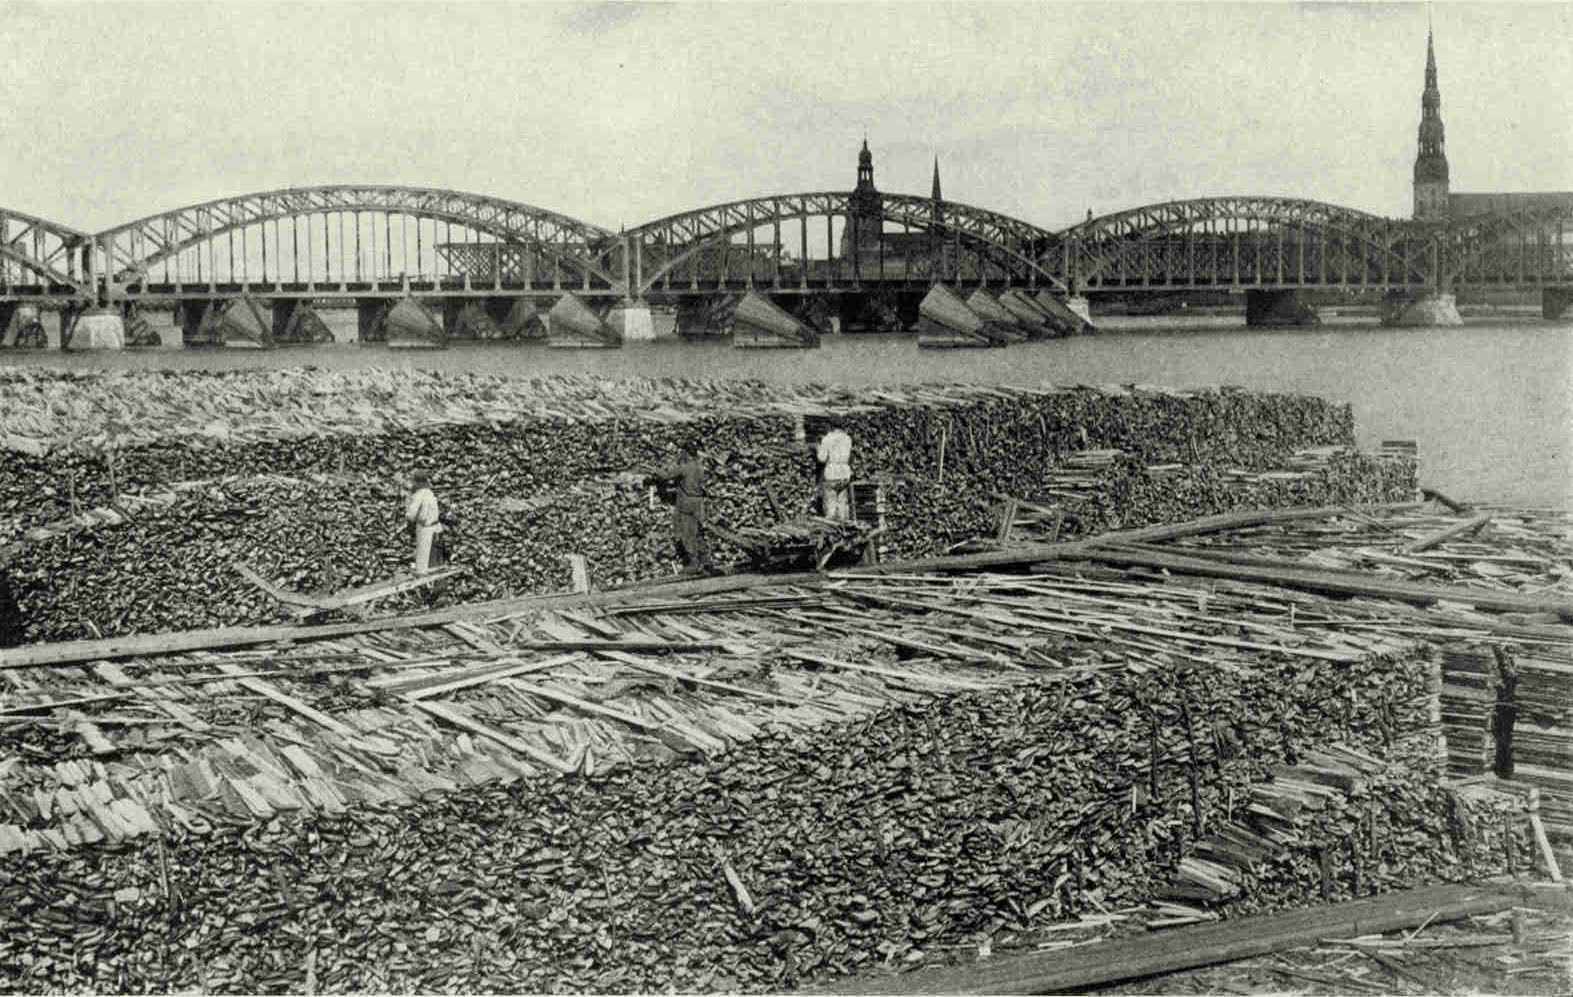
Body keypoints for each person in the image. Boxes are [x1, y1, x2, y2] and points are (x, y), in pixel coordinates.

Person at [647, 445, 710, 573]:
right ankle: (705, 560)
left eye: (682, 452)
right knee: (698, 532)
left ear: (686, 453)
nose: (680, 454)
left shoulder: (685, 467)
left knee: (687, 534)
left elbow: (666, 476)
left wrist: (654, 469)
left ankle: (694, 563)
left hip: (687, 503)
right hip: (698, 503)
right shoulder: (699, 467)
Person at [403, 471, 444, 576]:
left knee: (422, 551)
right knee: (433, 552)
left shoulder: (418, 495)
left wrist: (407, 506)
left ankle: (421, 571)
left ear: (416, 482)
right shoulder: (429, 493)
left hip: (425, 526)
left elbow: (411, 514)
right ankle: (431, 570)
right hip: (436, 526)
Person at [816, 419, 854, 521]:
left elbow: (821, 458)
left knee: (830, 506)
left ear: (831, 426)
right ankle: (844, 527)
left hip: (831, 473)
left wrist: (818, 448)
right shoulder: (847, 439)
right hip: (845, 473)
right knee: (842, 503)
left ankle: (831, 529)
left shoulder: (827, 439)